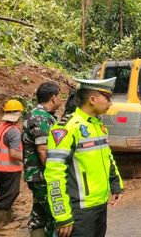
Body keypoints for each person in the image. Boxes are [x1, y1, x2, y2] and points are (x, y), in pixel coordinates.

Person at [44, 77, 124, 237]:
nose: (110, 103)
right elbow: (54, 174)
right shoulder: (67, 128)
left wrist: (116, 185)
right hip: (79, 209)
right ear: (93, 99)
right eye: (107, 98)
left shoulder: (98, 126)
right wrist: (62, 216)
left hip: (100, 205)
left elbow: (108, 158)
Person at [22, 82, 62, 237]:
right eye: (60, 96)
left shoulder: (41, 115)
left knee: (39, 215)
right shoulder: (40, 117)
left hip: (37, 175)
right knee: (54, 215)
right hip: (42, 176)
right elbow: (43, 150)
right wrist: (55, 174)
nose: (61, 100)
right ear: (53, 98)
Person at [0, 99, 24, 230]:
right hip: (10, 168)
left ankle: (7, 216)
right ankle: (1, 224)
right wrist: (28, 159)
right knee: (10, 194)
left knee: (4, 193)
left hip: (0, 168)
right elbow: (13, 154)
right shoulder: (13, 131)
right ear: (18, 114)